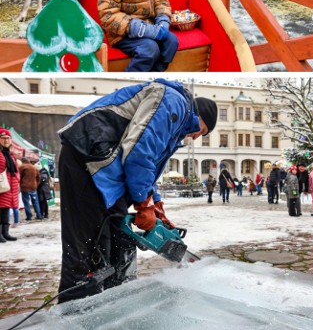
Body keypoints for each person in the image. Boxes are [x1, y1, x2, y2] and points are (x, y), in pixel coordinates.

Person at [56, 80, 217, 303]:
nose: (196, 137)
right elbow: (139, 154)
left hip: (107, 168)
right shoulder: (174, 103)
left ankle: (116, 296)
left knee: (118, 238)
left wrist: (156, 204)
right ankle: (74, 310)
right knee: (85, 243)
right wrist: (143, 204)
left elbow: (148, 165)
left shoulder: (175, 125)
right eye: (203, 130)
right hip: (86, 156)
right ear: (200, 117)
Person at [0, 130, 19, 243]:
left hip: (10, 186)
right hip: (2, 185)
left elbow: (15, 170)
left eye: (8, 138)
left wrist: (17, 179)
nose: (6, 140)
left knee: (6, 210)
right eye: (3, 138)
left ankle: (5, 233)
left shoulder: (9, 154)